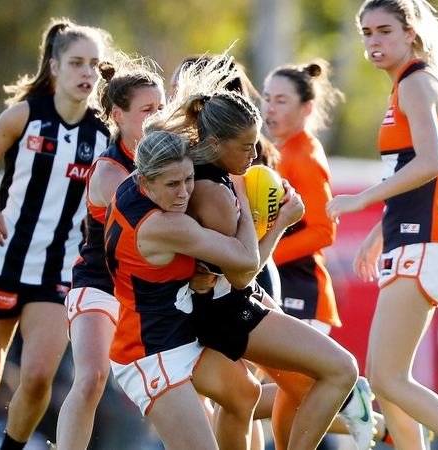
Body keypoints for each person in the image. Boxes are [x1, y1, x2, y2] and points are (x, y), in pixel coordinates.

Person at [326, 1, 438, 449]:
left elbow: (430, 163)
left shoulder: (417, 83)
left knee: (386, 376)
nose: (373, 42)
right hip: (412, 238)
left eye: (384, 31)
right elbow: (409, 177)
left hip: (426, 241)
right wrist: (379, 229)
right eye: (366, 33)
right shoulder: (404, 85)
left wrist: (362, 200)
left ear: (410, 33)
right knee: (387, 382)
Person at [166, 54, 359, 450]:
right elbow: (241, 271)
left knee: (243, 400)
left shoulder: (219, 175)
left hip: (233, 301)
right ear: (215, 142)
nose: (255, 157)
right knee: (340, 371)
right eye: (247, 147)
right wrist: (282, 222)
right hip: (228, 310)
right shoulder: (215, 191)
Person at [0, 18, 112, 450]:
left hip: (58, 271)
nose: (86, 73)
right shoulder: (23, 116)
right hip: (2, 261)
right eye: (77, 63)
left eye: (94, 66)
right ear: (55, 66)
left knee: (40, 376)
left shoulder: (104, 134)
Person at [104, 124, 266, 450]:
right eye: (172, 184)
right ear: (145, 180)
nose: (184, 193)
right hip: (149, 354)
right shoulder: (168, 225)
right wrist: (246, 203)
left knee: (246, 393)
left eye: (189, 179)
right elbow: (246, 261)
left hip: (177, 335)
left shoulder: (127, 189)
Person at [261, 59, 376, 450]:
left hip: (302, 290)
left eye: (281, 100)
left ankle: (349, 395)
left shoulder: (305, 155)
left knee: (293, 398)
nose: (270, 108)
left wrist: (263, 256)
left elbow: (324, 231)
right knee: (276, 400)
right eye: (267, 99)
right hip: (280, 285)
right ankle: (363, 409)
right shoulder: (278, 151)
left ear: (306, 109)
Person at [55, 53, 165, 450]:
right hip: (101, 283)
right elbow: (155, 228)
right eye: (146, 109)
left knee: (202, 386)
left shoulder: (169, 158)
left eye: (161, 107)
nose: (157, 116)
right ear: (117, 115)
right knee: (90, 379)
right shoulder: (109, 171)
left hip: (148, 289)